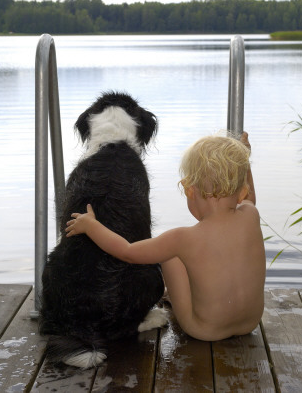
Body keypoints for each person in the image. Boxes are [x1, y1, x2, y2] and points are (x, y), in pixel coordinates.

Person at [65, 132, 265, 341]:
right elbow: (249, 197)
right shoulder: (250, 214)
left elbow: (128, 252)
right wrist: (245, 161)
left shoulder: (182, 239)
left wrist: (91, 226)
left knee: (171, 255)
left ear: (189, 190)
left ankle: (176, 296)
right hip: (249, 323)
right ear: (242, 191)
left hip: (205, 330)